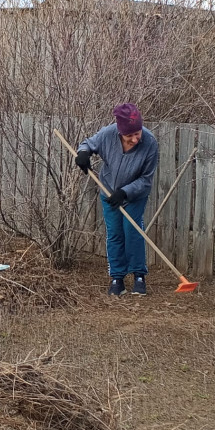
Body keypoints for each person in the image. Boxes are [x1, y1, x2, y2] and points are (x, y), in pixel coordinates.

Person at [75, 103, 158, 296]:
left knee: (133, 231)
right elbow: (88, 144)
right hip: (109, 192)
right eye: (130, 136)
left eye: (137, 133)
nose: (135, 139)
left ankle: (139, 276)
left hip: (134, 196)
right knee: (114, 234)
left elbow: (146, 180)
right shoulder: (108, 134)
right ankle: (117, 278)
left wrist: (126, 192)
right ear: (120, 132)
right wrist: (83, 154)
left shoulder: (150, 142)